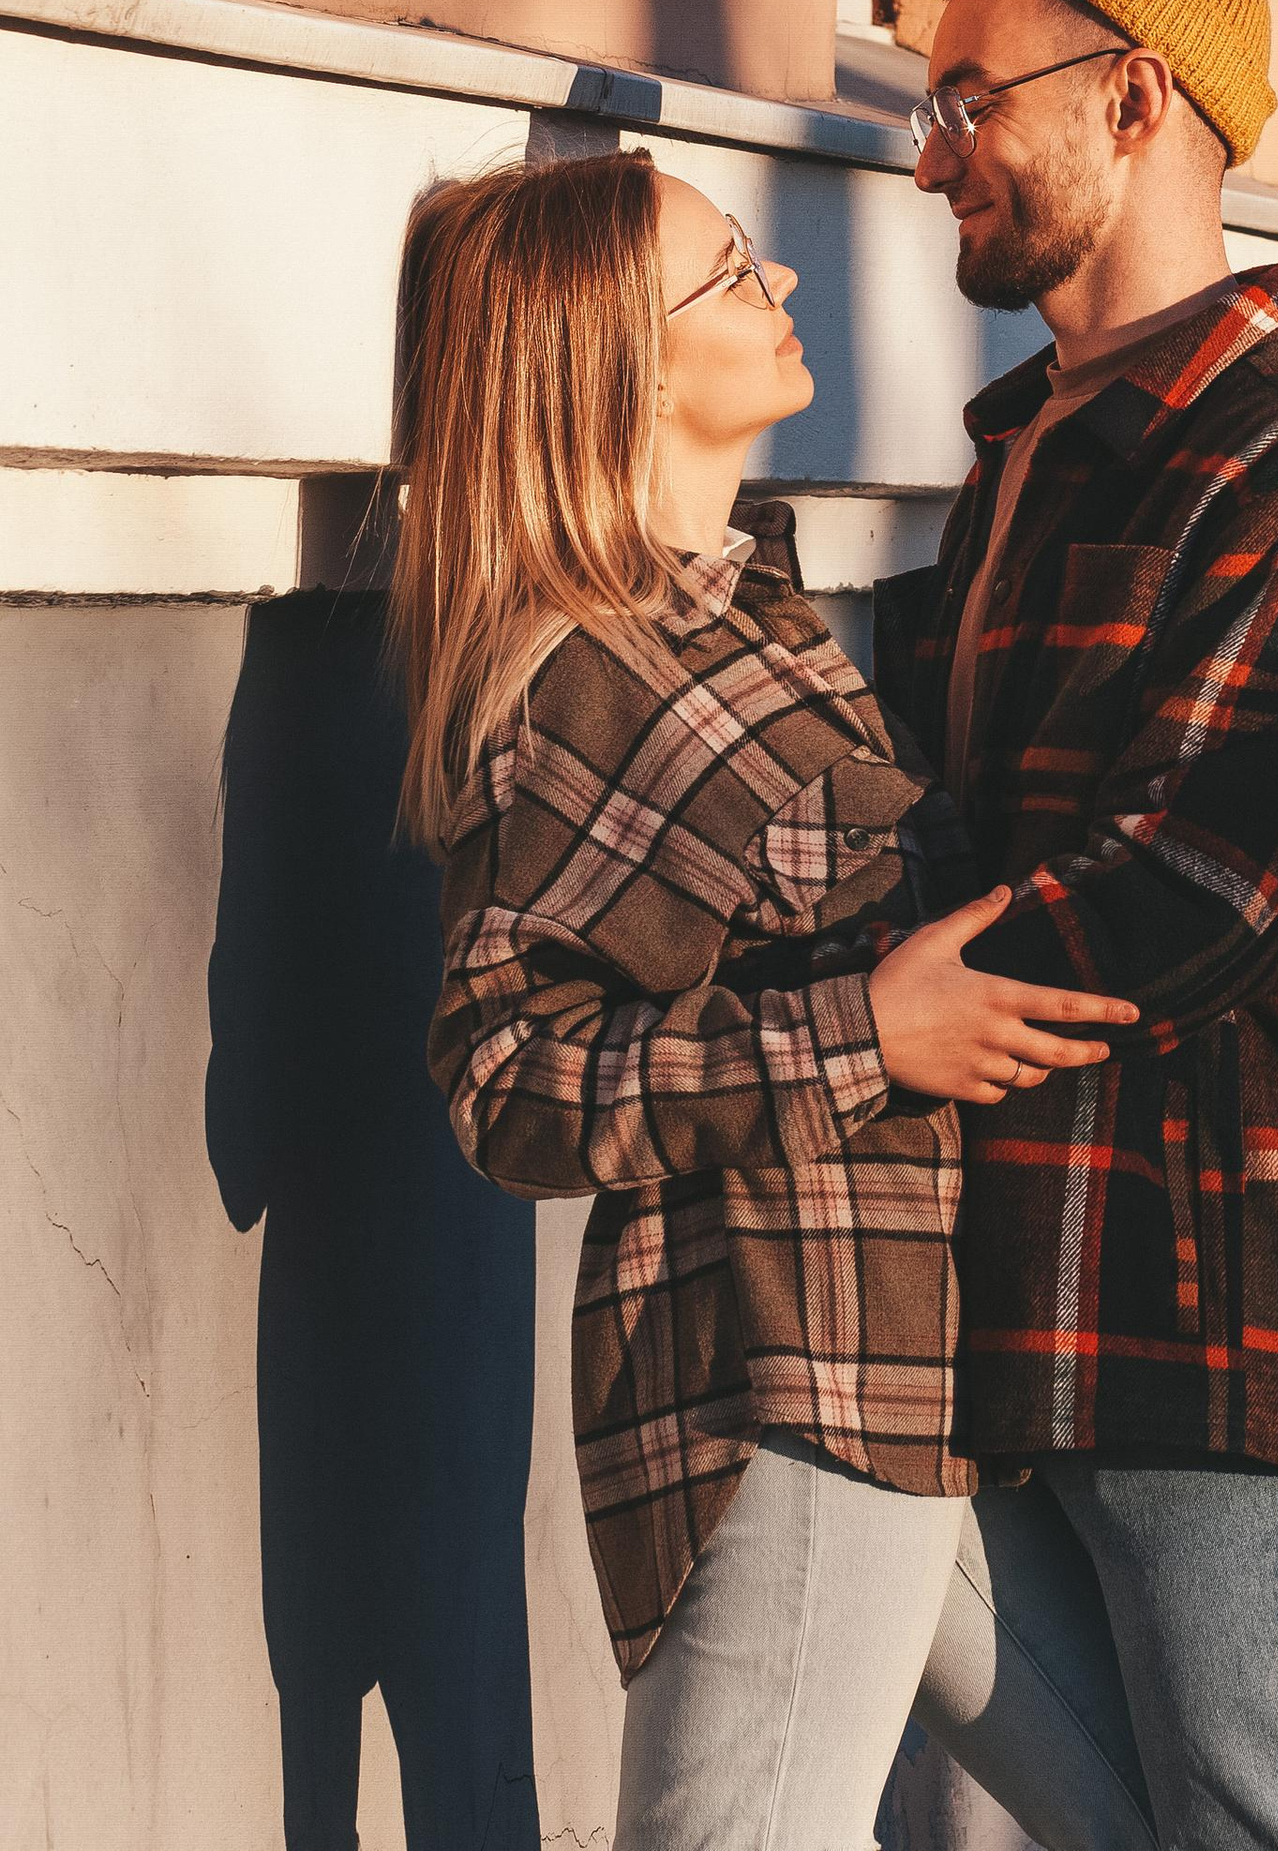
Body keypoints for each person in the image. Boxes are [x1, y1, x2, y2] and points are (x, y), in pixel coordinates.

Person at [393, 147, 1161, 1851]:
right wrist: (861, 1037)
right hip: (783, 1376)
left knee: (1167, 1819)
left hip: (919, 1372)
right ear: (628, 363)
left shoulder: (757, 615)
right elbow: (502, 1076)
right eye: (733, 274)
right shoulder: (579, 676)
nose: (784, 285)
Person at [877, 0, 1278, 1851]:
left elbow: (1187, 899)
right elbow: (908, 806)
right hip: (1003, 1304)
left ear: (1130, 97)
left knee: (1265, 1830)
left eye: (968, 97)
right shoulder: (1031, 466)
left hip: (1210, 1326)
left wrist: (862, 1016)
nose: (928, 151)